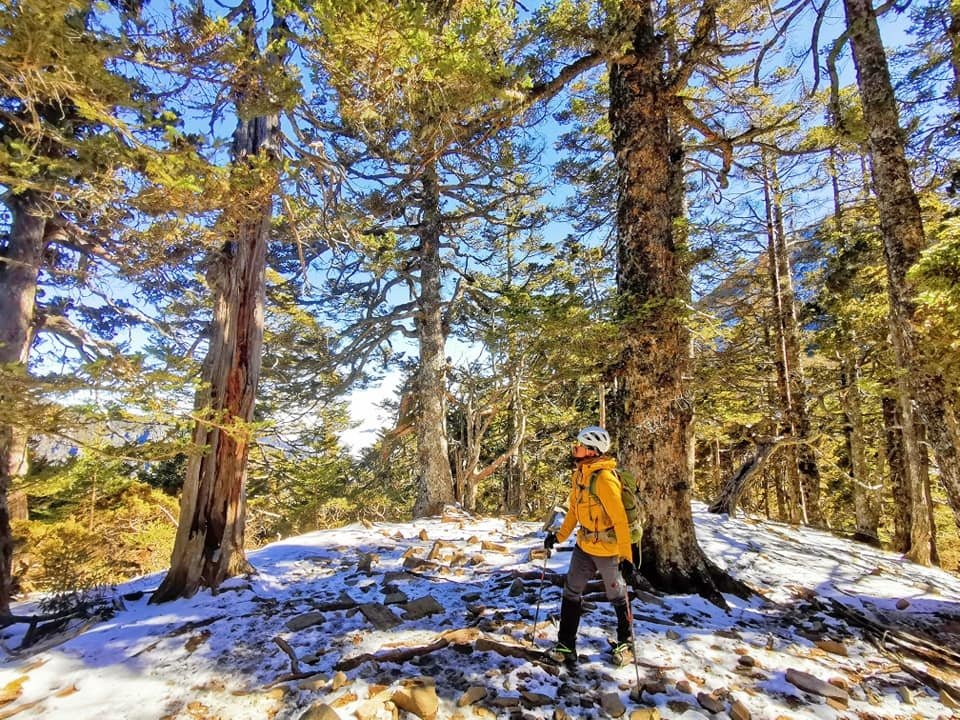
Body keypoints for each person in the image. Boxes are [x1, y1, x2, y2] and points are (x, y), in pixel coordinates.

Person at [544, 425, 636, 666]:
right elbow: (574, 511)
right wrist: (558, 537)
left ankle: (626, 644)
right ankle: (566, 645)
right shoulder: (580, 475)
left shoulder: (605, 479)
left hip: (608, 549)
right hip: (584, 546)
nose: (576, 450)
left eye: (580, 446)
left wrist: (627, 557)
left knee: (617, 595)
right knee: (571, 591)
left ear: (593, 451)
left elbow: (619, 520)